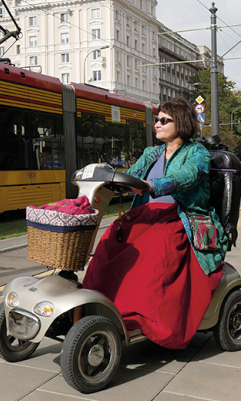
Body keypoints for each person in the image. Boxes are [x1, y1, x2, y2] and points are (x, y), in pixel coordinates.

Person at [83, 98, 227, 350]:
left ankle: (139, 316)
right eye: (156, 120)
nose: (157, 125)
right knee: (111, 240)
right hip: (147, 214)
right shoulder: (152, 153)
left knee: (155, 250)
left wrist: (154, 185)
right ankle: (99, 303)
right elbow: (134, 174)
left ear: (180, 123)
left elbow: (188, 176)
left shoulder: (197, 153)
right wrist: (112, 179)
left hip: (181, 217)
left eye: (163, 120)